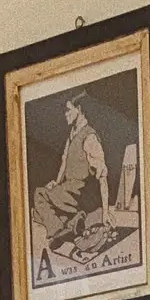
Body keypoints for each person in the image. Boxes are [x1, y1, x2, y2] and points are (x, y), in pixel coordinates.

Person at [33, 94, 111, 254]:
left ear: (79, 109)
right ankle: (73, 225)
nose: (65, 114)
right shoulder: (72, 135)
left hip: (80, 194)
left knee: (39, 195)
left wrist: (105, 213)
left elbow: (103, 177)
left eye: (68, 110)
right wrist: (56, 182)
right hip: (68, 191)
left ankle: (60, 231)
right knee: (38, 214)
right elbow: (64, 162)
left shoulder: (89, 137)